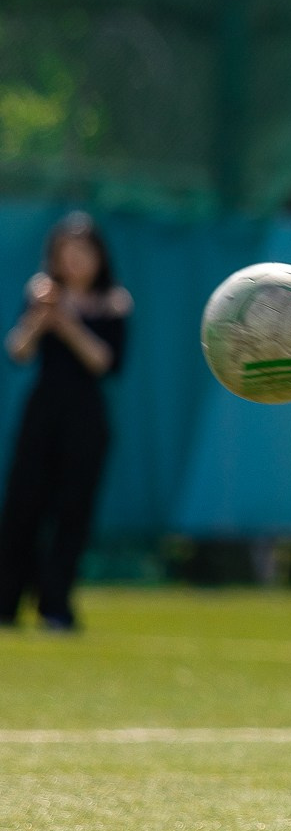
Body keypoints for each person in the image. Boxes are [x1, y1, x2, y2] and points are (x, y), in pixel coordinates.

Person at [0, 213, 131, 631]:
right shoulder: (40, 294)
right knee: (22, 508)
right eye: (66, 252)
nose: (74, 260)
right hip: (43, 413)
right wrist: (41, 317)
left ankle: (55, 606)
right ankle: (7, 601)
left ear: (99, 257)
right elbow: (18, 350)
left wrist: (68, 323)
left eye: (83, 252)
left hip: (86, 419)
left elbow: (105, 362)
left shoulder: (114, 302)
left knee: (72, 512)